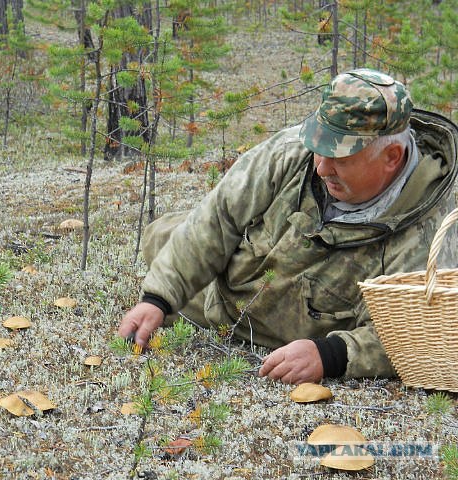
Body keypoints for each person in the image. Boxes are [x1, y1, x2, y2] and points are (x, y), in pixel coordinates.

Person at [118, 68, 458, 384]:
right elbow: (218, 218)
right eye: (318, 149)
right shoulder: (292, 150)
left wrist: (332, 355)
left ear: (392, 158)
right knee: (161, 237)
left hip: (303, 337)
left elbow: (417, 336)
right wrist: (157, 299)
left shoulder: (432, 232)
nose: (322, 168)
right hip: (220, 299)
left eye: (340, 157)